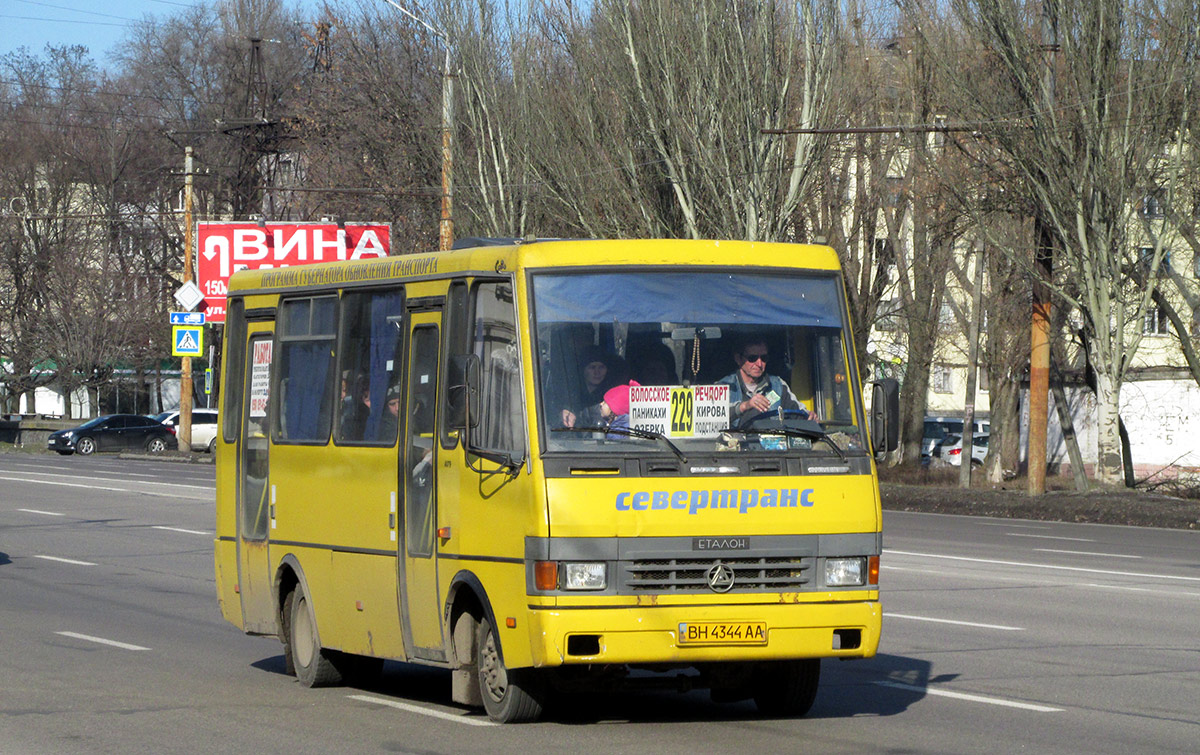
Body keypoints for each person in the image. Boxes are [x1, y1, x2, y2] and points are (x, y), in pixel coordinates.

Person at [718, 339, 807, 425]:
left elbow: (798, 414)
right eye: (752, 358)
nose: (759, 364)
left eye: (764, 358)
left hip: (773, 440)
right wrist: (744, 406)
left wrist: (808, 417)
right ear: (738, 359)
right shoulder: (721, 388)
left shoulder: (778, 385)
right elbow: (712, 420)